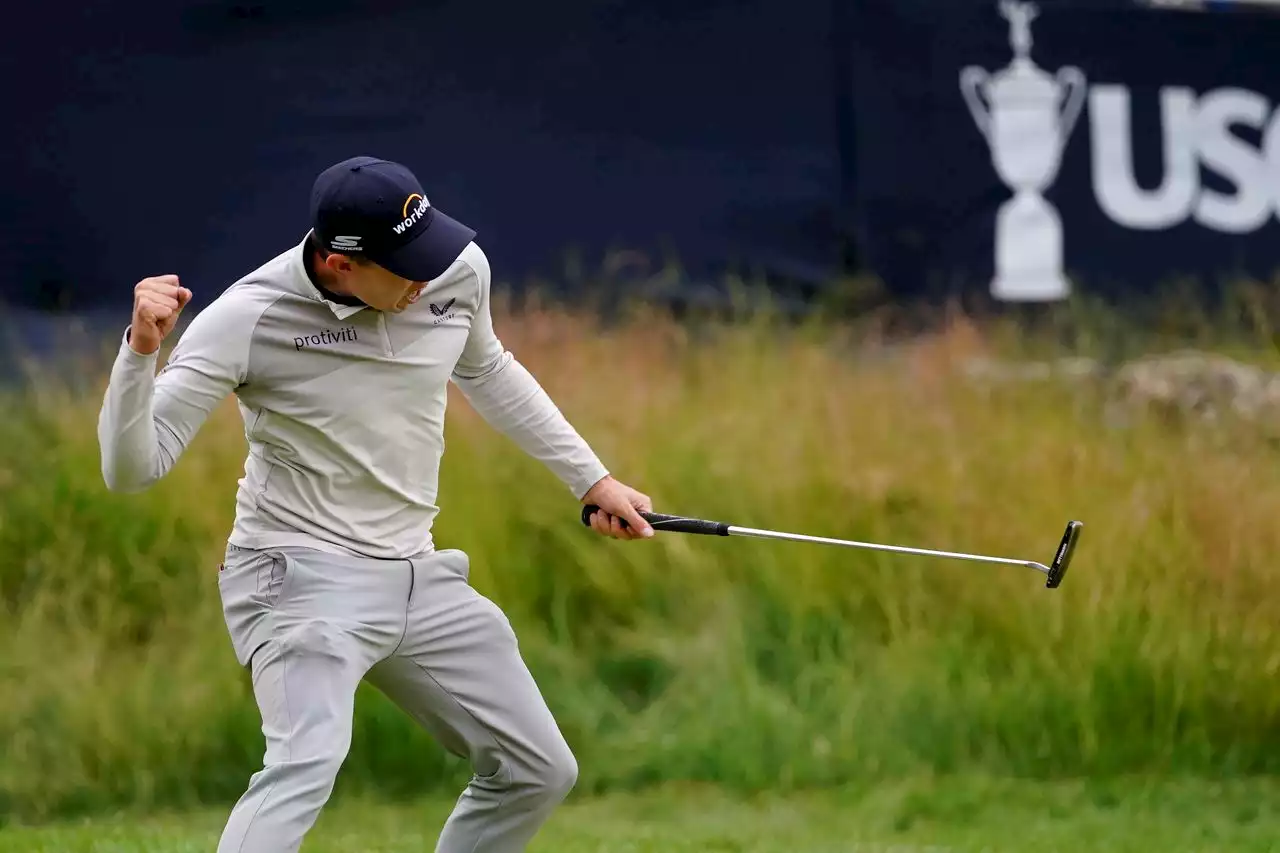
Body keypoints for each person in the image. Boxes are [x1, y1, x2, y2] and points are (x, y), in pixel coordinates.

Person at [96, 155, 655, 853]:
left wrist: (593, 480)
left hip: (417, 575)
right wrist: (139, 355)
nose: (426, 278)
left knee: (538, 768)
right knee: (305, 762)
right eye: (405, 264)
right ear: (338, 264)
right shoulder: (246, 317)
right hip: (296, 575)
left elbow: (488, 369)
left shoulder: (455, 271)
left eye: (428, 251)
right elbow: (132, 467)